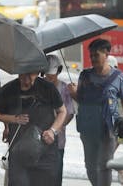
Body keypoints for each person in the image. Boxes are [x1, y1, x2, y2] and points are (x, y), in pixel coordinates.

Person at [68, 38, 123, 186]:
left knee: (105, 164)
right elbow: (82, 100)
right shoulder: (84, 76)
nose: (92, 59)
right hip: (88, 129)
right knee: (90, 165)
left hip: (108, 130)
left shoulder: (119, 78)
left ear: (106, 54)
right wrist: (73, 93)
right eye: (91, 55)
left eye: (96, 55)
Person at [0, 71, 67, 186]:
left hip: (45, 150)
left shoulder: (47, 88)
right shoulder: (8, 90)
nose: (27, 78)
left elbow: (62, 111)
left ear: (38, 71)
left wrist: (52, 131)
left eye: (31, 73)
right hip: (19, 152)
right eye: (23, 73)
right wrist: (14, 119)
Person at [43, 54, 75, 186]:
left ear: (59, 71)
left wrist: (58, 127)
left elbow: (70, 112)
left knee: (55, 176)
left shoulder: (64, 89)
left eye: (52, 75)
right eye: (47, 75)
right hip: (40, 137)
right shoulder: (40, 86)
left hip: (58, 140)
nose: (49, 78)